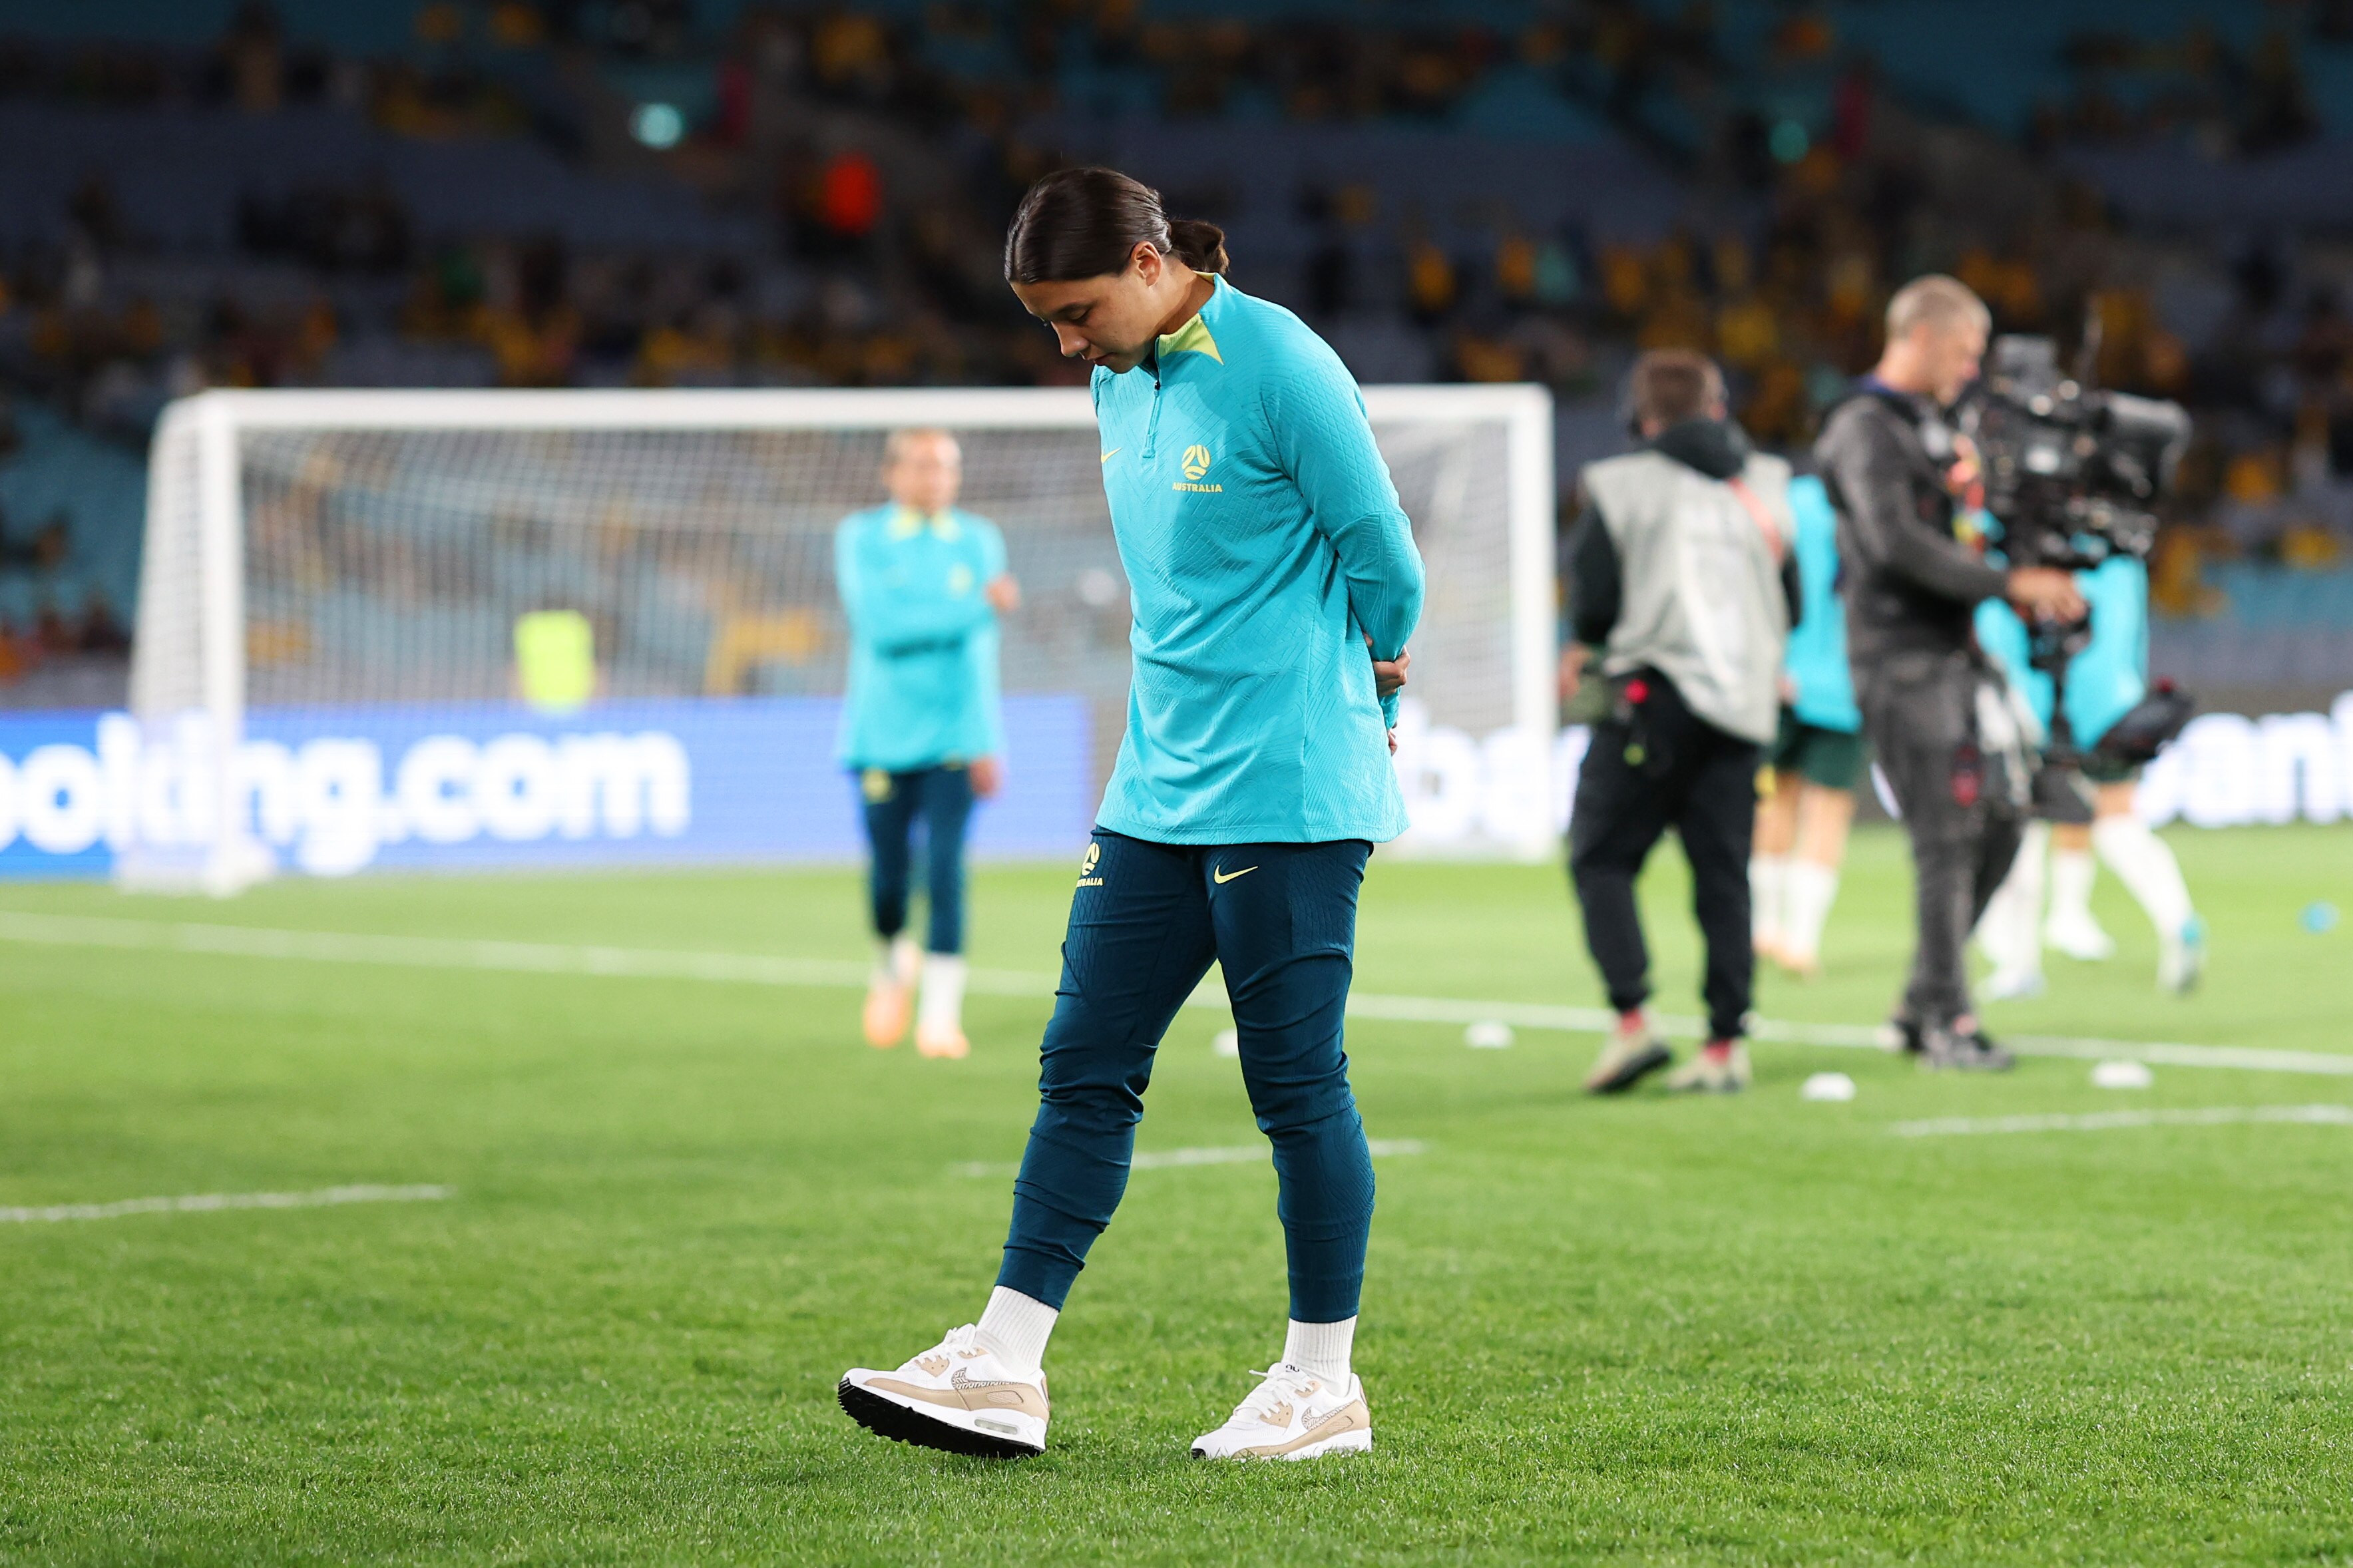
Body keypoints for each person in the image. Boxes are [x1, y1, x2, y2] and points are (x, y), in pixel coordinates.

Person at [837, 167, 1422, 1462]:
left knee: (1293, 1083)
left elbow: (1387, 555)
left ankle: (1321, 1382)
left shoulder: (1282, 361)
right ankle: (1002, 1358)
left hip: (1287, 782)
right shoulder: (1117, 374)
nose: (1064, 343)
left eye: (1077, 309)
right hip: (1156, 783)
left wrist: (1379, 678)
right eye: (1046, 319)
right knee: (1081, 1059)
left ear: (1152, 266)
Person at [1813, 276, 2085, 1072]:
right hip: (1896, 659)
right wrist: (2009, 584)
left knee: (2006, 816)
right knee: (1944, 836)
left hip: (1953, 656)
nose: (1970, 370)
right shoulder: (1863, 426)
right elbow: (1894, 542)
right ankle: (1949, 1024)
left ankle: (1921, 1001)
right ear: (1922, 337)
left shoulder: (1931, 426)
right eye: (1964, 352)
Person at [1561, 349, 1799, 1096]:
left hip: (1652, 699)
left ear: (1643, 417)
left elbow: (1594, 599)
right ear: (1718, 407)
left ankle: (1632, 1021)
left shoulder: (1623, 484)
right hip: (1743, 706)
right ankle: (1727, 1044)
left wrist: (1586, 648)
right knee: (1724, 877)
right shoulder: (1768, 488)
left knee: (1599, 855)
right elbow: (1793, 601)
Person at [834, 429, 1020, 1061]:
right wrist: (978, 605)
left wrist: (987, 741)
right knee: (888, 882)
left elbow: (979, 656)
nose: (935, 478)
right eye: (921, 466)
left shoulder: (977, 539)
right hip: (881, 735)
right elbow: (881, 629)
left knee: (946, 872)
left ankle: (940, 1018)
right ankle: (891, 962)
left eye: (946, 467)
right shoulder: (861, 537)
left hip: (954, 738)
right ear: (891, 473)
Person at [1973, 550, 2205, 998]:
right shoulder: (2122, 551)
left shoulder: (2026, 545)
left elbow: (1999, 633)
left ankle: (2018, 962)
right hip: (2116, 704)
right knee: (2118, 819)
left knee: (2022, 827)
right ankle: (2176, 917)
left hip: (2042, 706)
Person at [1751, 471, 1864, 980]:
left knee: (1776, 801)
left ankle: (1768, 928)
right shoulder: (1883, 500)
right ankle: (1798, 938)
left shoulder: (1788, 500)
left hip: (1788, 677)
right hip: (1845, 683)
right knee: (1825, 812)